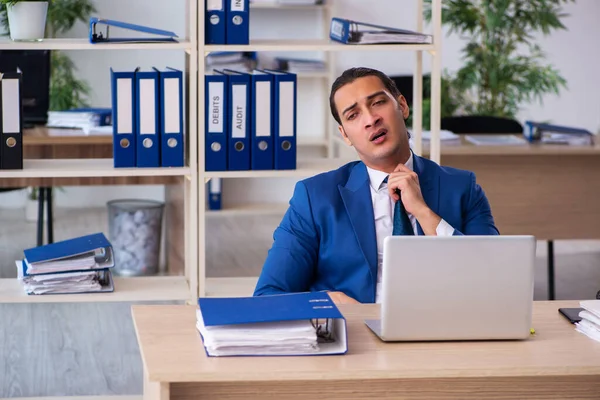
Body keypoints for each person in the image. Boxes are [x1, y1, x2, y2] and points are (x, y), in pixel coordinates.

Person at [253, 67, 499, 304]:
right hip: (357, 334)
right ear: (345, 135)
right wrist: (325, 301)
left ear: (402, 106)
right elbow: (269, 295)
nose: (371, 119)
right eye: (353, 115)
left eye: (378, 103)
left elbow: (493, 280)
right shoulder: (315, 197)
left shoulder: (462, 187)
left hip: (441, 331)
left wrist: (423, 212)